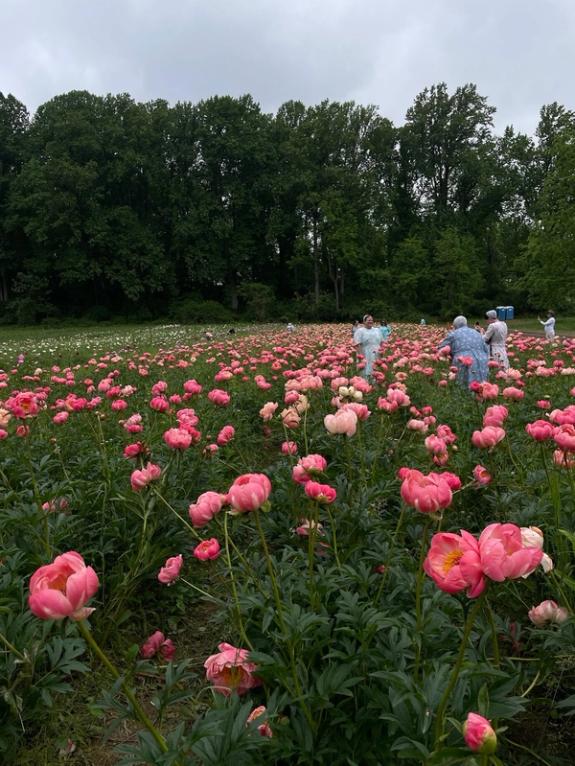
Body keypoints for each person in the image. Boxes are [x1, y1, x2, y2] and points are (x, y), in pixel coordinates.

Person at [438, 316, 489, 388]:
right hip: (482, 360)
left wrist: (449, 355)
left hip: (464, 360)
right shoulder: (477, 333)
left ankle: (467, 398)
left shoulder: (453, 334)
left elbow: (441, 348)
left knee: (464, 386)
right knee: (481, 386)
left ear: (455, 326)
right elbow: (486, 349)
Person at [353, 314, 382, 379]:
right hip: (365, 353)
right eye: (368, 320)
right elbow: (357, 344)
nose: (370, 321)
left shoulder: (377, 330)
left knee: (376, 368)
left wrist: (381, 352)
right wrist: (361, 356)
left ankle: (375, 385)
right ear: (364, 322)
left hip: (376, 352)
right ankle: (365, 385)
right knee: (366, 368)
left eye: (371, 320)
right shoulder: (360, 331)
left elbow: (381, 342)